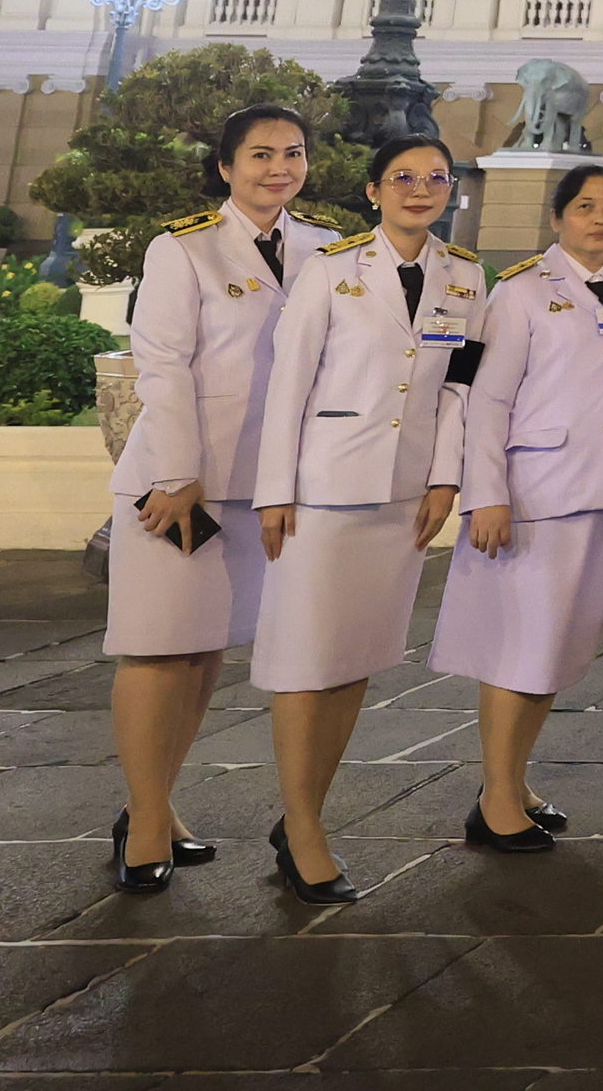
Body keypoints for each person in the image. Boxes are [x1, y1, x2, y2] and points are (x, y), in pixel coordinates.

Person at [101, 101, 347, 891]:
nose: (279, 168)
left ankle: (157, 801)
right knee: (157, 648)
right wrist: (177, 476)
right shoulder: (185, 248)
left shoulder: (325, 249)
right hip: (180, 487)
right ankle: (144, 821)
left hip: (266, 486)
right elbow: (162, 366)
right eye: (261, 155)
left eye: (294, 153)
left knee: (204, 652)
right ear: (225, 166)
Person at [251, 131, 480, 904]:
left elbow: (457, 389)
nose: (420, 189)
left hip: (403, 499)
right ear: (374, 190)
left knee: (353, 660)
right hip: (323, 489)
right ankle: (302, 823)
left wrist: (446, 479)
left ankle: (307, 814)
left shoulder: (464, 278)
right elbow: (288, 384)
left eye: (435, 178)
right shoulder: (331, 271)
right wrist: (274, 489)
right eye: (403, 177)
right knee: (303, 663)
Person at [431, 160, 603, 852]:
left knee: (555, 653)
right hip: (535, 495)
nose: (599, 219)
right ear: (558, 218)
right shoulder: (520, 292)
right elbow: (486, 401)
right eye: (584, 206)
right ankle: (495, 801)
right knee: (516, 651)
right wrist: (484, 494)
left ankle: (512, 783)